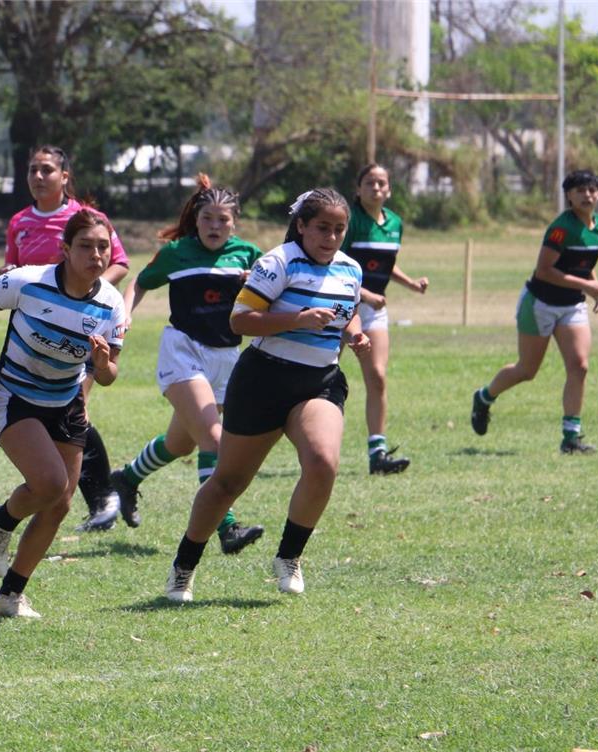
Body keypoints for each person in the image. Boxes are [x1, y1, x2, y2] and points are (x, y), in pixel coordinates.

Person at [164, 188, 369, 603]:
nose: (331, 237)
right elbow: (240, 321)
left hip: (319, 381)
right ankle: (184, 566)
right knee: (227, 483)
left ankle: (289, 556)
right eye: (322, 228)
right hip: (264, 380)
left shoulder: (350, 270)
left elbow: (349, 310)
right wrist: (298, 319)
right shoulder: (278, 262)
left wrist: (355, 332)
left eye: (339, 229)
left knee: (323, 462)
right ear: (302, 227)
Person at [0, 209, 126, 618]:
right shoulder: (28, 281)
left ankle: (10, 596)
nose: (96, 255)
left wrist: (102, 361)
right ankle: (0, 520)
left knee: (59, 504)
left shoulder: (111, 305)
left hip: (65, 402)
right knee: (50, 483)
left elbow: (108, 376)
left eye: (103, 246)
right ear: (66, 249)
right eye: (86, 246)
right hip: (14, 396)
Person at [99, 174, 267, 555]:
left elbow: (271, 293)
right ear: (197, 219)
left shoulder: (249, 255)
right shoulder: (177, 252)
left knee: (180, 442)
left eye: (223, 220)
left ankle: (126, 478)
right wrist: (125, 313)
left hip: (226, 357)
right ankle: (226, 527)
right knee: (214, 438)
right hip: (183, 350)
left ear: (235, 222)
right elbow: (140, 281)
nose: (214, 226)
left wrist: (253, 284)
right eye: (207, 218)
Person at [1, 145, 130, 530]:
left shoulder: (85, 219)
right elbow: (14, 266)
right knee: (54, 408)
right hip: (32, 328)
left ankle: (102, 496)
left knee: (76, 406)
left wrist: (90, 298)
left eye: (47, 170)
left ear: (65, 176)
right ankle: (71, 495)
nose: (38, 177)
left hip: (83, 329)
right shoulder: (19, 220)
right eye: (32, 170)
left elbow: (120, 263)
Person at [470, 170, 598, 454]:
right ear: (568, 196)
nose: (587, 195)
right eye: (580, 190)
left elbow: (583, 262)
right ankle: (484, 397)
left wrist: (592, 284)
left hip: (572, 305)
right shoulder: (561, 227)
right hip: (540, 303)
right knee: (527, 370)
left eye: (592, 189)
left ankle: (571, 438)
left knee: (580, 365)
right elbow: (544, 271)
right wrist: (588, 285)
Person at [343, 163, 428, 475]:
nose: (376, 188)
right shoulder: (349, 221)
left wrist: (411, 284)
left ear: (389, 189)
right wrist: (364, 294)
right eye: (369, 183)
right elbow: (335, 265)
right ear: (358, 189)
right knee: (321, 376)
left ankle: (377, 453)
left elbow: (385, 264)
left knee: (377, 376)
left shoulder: (394, 222)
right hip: (340, 305)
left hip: (374, 309)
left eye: (381, 183)